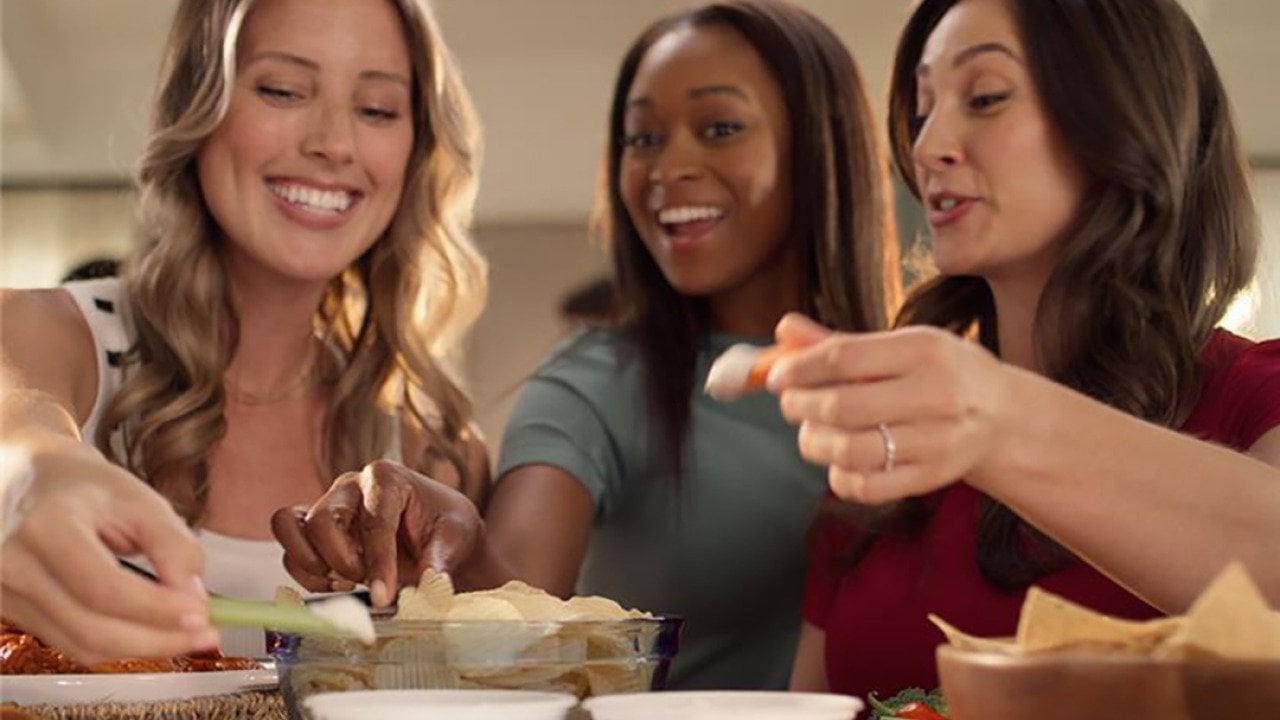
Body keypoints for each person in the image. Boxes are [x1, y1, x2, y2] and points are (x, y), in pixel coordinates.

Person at [277, 0, 900, 690]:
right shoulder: (598, 381)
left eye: (719, 127)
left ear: (822, 147)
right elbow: (518, 599)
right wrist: (467, 540)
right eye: (642, 139)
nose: (669, 167)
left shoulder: (921, 378)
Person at [773, 0, 1280, 698]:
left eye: (985, 97)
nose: (926, 148)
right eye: (922, 109)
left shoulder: (1255, 394)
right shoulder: (890, 446)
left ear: (1127, 119)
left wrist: (995, 418)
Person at [0, 0, 488, 663]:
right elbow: (17, 430)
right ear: (199, 108)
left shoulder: (433, 448)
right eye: (282, 90)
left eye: (376, 109)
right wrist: (31, 480)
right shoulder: (43, 333)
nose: (334, 143)